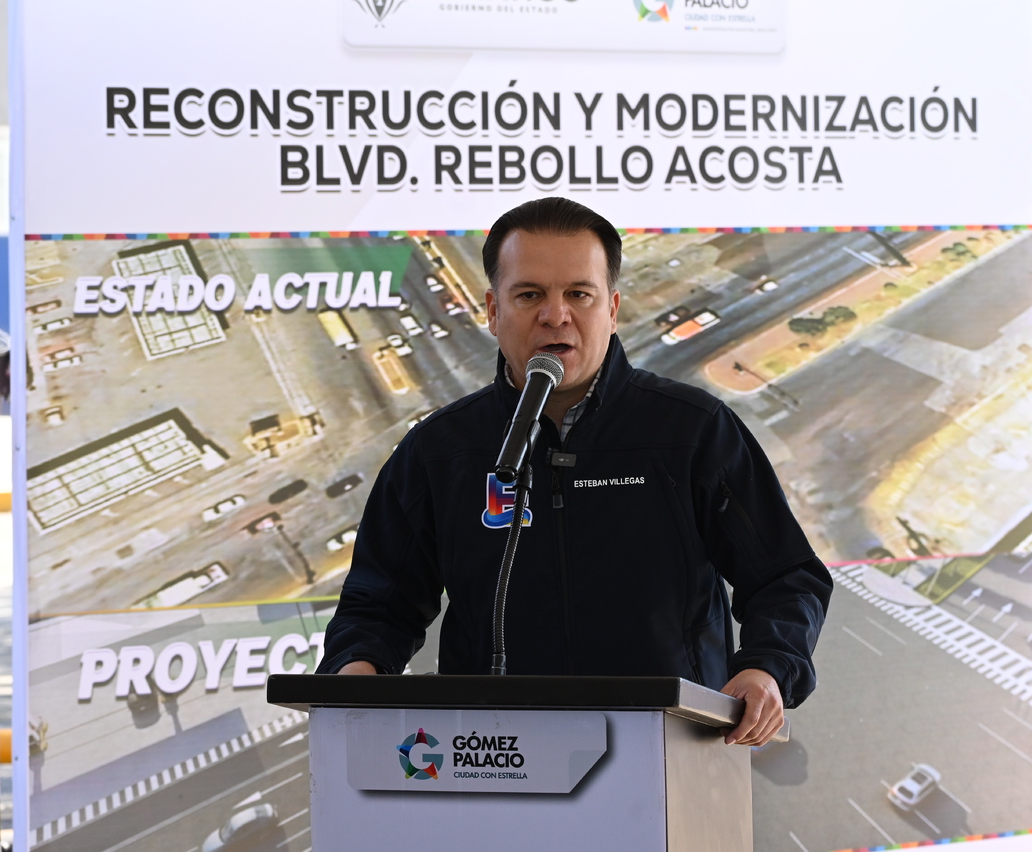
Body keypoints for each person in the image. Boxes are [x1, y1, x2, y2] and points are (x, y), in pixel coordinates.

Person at [319, 197, 833, 747]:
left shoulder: (690, 430)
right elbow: (378, 604)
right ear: (492, 310)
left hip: (669, 752)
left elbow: (784, 576)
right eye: (529, 295)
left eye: (579, 295)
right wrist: (357, 668)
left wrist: (766, 667)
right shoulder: (440, 451)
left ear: (611, 309)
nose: (555, 315)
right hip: (493, 758)